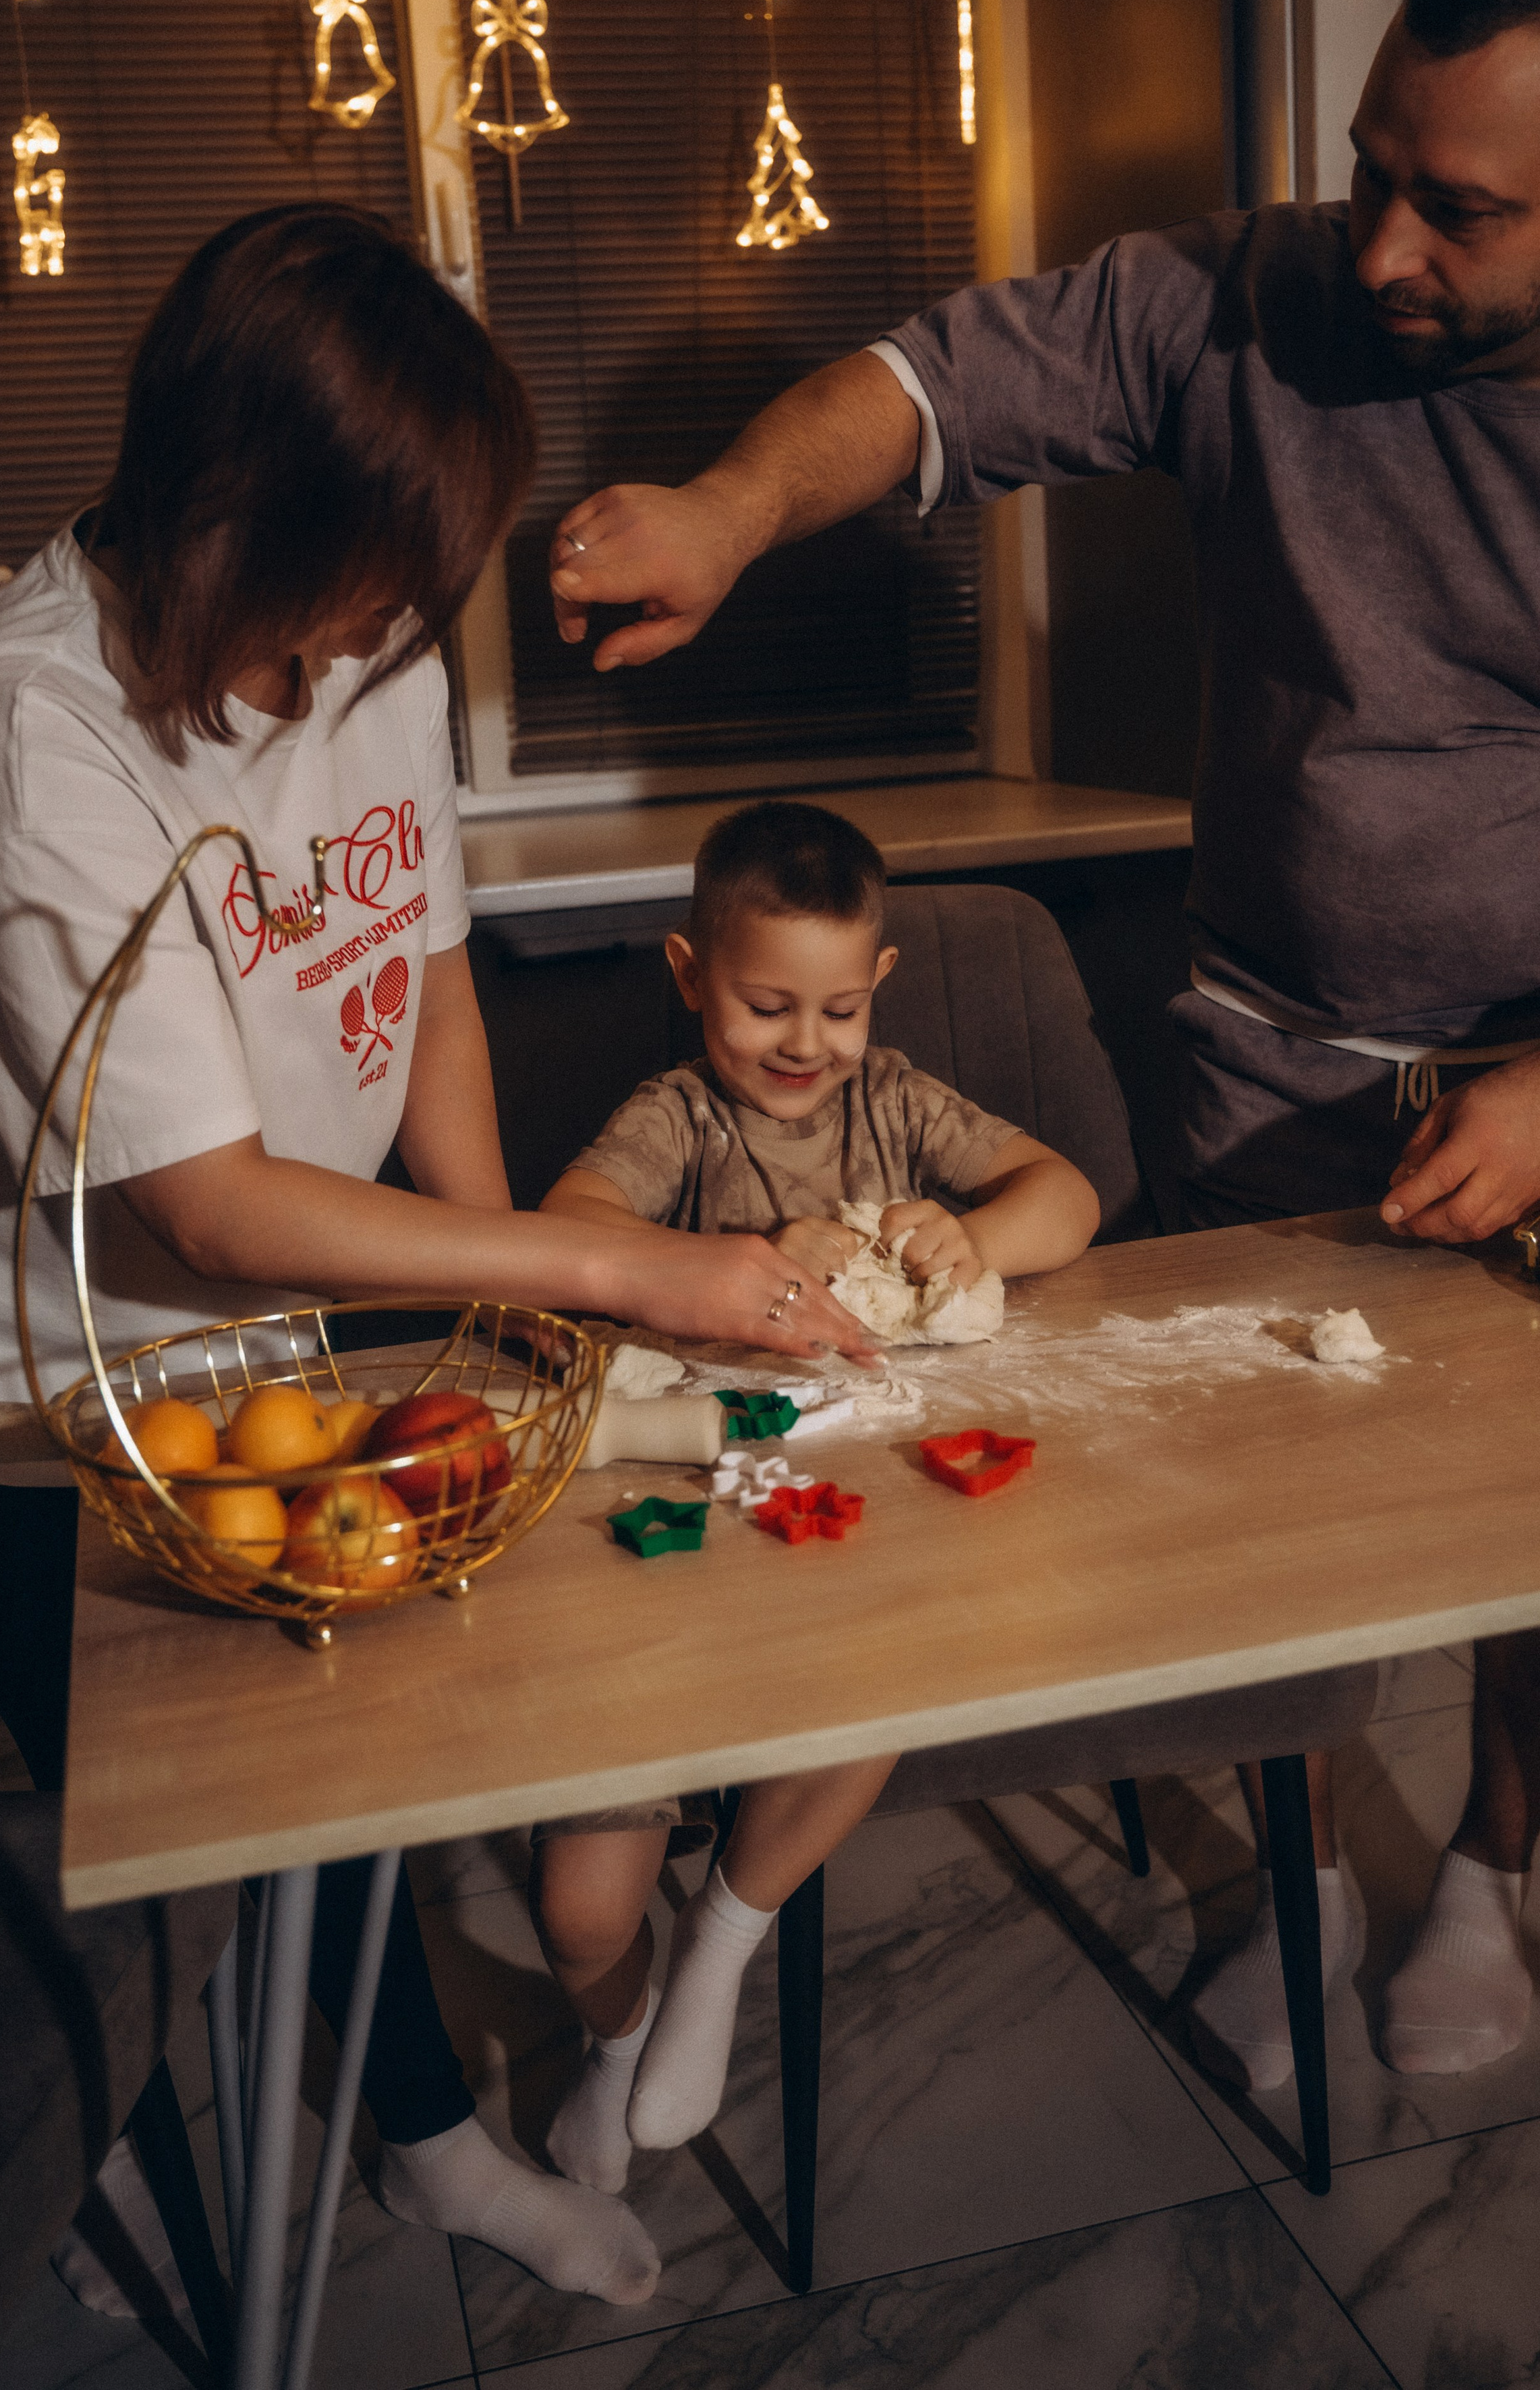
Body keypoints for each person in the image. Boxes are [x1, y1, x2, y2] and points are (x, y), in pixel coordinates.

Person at [540, 0, 1540, 2088]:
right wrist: (732, 506)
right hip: (1256, 1045)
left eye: (1463, 211)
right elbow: (940, 386)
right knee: (1251, 1508)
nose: (1383, 244)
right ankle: (1293, 1867)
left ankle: (1487, 1867)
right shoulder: (1262, 300)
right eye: (1378, 167)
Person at [0, 202, 873, 2318]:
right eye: (372, 588)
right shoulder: (19, 725)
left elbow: (421, 979)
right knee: (172, 1848)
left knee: (352, 1761)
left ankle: (425, 2151)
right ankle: (182, 2185)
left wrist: (499, 1284)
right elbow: (200, 1202)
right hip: (5, 1373)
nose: (405, 640)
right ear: (233, 519)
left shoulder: (372, 639)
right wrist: (624, 1275)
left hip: (255, 1331)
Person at [530, 798, 1098, 2186]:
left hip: (855, 1530)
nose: (802, 1045)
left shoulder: (896, 1101)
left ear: (878, 992)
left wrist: (964, 1233)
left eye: (835, 1008)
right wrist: (728, 1253)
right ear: (687, 976)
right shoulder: (680, 1119)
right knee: (577, 1912)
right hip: (686, 1516)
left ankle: (728, 1930)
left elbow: (1066, 1199)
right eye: (764, 1004)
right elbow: (563, 1230)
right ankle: (620, 2031)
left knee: (899, 1661)